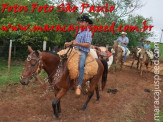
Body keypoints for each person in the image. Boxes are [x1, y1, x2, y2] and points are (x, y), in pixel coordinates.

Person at [65, 15, 93, 95]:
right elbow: (75, 41)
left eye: (82, 22)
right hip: (76, 50)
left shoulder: (88, 32)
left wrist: (77, 44)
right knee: (65, 59)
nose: (81, 23)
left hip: (83, 51)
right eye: (80, 22)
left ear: (87, 23)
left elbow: (88, 44)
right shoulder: (80, 31)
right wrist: (70, 43)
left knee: (80, 65)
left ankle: (79, 85)